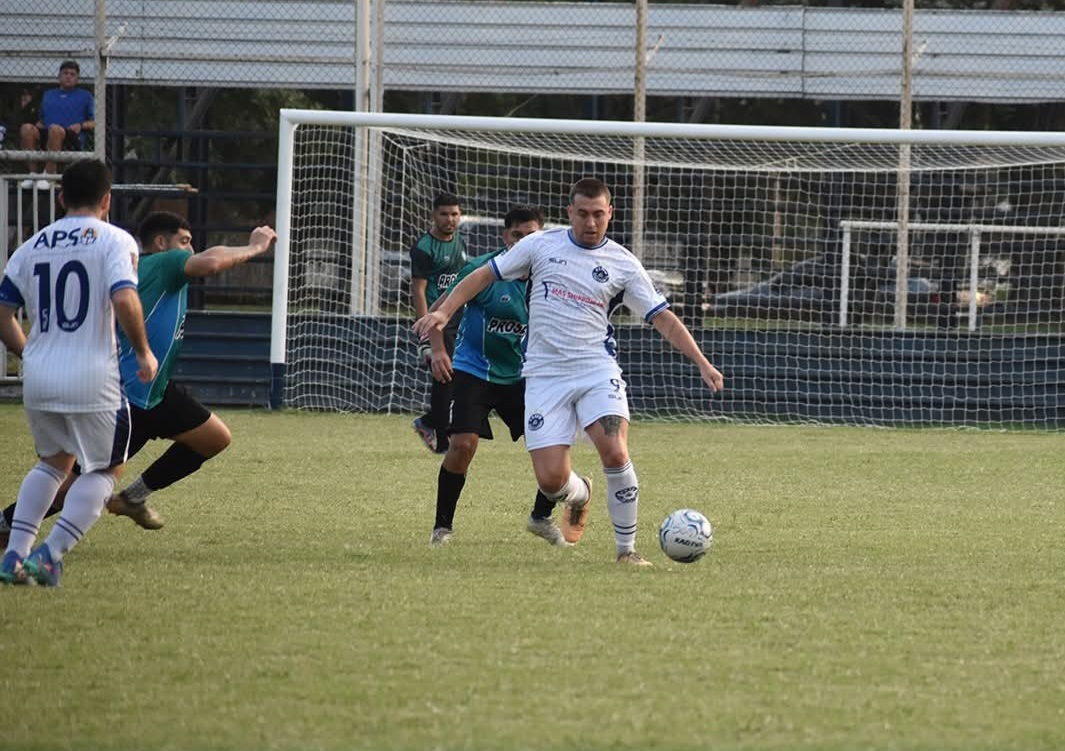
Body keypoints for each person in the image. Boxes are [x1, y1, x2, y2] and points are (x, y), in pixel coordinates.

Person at [415, 178, 725, 566]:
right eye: (582, 214)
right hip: (544, 377)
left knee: (615, 450)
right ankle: (580, 493)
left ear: (610, 214)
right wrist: (444, 312)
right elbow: (483, 275)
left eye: (598, 214)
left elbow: (662, 318)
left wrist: (702, 362)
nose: (590, 222)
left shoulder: (623, 264)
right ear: (569, 213)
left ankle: (626, 551)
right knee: (551, 481)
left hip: (597, 370)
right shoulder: (540, 245)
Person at [0, 212, 278, 543]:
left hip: (154, 389)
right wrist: (255, 247)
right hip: (130, 393)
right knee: (70, 485)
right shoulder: (164, 263)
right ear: (161, 243)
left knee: (213, 438)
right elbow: (213, 263)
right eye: (184, 242)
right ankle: (6, 525)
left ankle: (133, 498)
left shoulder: (144, 271)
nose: (190, 251)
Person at [0, 159, 158, 587]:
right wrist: (144, 352)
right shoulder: (115, 240)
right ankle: (49, 556)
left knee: (53, 463)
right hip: (93, 374)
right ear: (107, 200)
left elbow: (3, 313)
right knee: (107, 471)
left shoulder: (31, 246)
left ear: (60, 197)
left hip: (39, 376)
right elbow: (124, 298)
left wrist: (29, 353)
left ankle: (14, 555)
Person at [426, 205, 577, 548]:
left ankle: (541, 517)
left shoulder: (553, 277)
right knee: (462, 446)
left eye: (531, 236)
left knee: (552, 451)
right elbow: (440, 309)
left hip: (526, 375)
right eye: (516, 235)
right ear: (505, 237)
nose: (523, 242)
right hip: (474, 370)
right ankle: (442, 528)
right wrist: (437, 350)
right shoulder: (483, 271)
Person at [409, 192, 467, 455]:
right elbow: (419, 290)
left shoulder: (460, 242)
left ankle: (431, 424)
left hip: (458, 320)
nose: (450, 219)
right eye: (444, 214)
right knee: (445, 377)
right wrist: (425, 328)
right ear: (433, 215)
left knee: (452, 379)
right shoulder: (424, 248)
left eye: (454, 214)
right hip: (437, 324)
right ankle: (439, 435)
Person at [19, 60, 95, 190]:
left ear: (77, 78)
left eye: (72, 74)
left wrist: (81, 125)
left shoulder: (85, 96)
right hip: (47, 132)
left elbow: (95, 122)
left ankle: (49, 175)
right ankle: (33, 175)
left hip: (71, 136)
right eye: (65, 73)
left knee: (55, 129)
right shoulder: (48, 95)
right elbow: (42, 121)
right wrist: (35, 128)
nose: (68, 76)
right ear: (59, 76)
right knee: (26, 128)